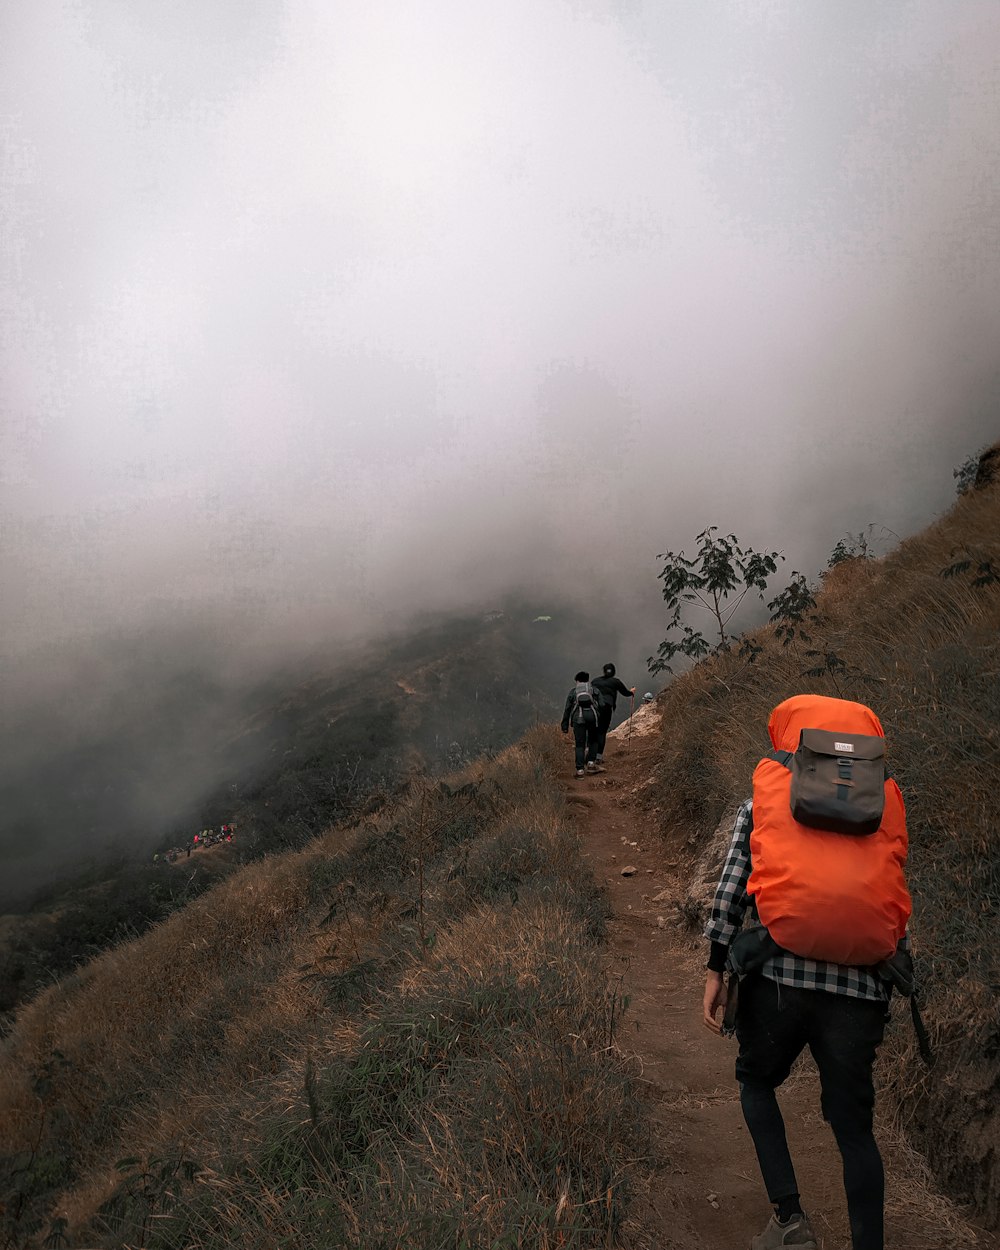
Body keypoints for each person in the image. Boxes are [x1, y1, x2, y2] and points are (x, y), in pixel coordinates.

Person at [702, 694, 911, 1250]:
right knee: (855, 1131)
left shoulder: (765, 798)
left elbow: (730, 892)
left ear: (793, 740)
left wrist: (716, 967)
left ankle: (791, 1221)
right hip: (860, 987)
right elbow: (891, 894)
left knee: (755, 1080)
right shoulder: (886, 802)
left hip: (778, 981)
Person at [560, 670, 603, 777]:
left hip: (578, 719)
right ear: (588, 680)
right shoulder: (594, 690)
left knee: (580, 744)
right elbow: (602, 704)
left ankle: (580, 771)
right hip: (592, 718)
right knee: (593, 740)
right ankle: (591, 764)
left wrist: (564, 725)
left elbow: (567, 709)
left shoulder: (573, 692)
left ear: (577, 681)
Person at [590, 663, 636, 764]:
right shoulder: (615, 682)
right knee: (602, 732)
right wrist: (632, 692)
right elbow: (625, 692)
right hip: (606, 708)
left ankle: (589, 755)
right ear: (614, 671)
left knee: (593, 731)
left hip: (593, 708)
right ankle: (598, 757)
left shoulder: (595, 681)